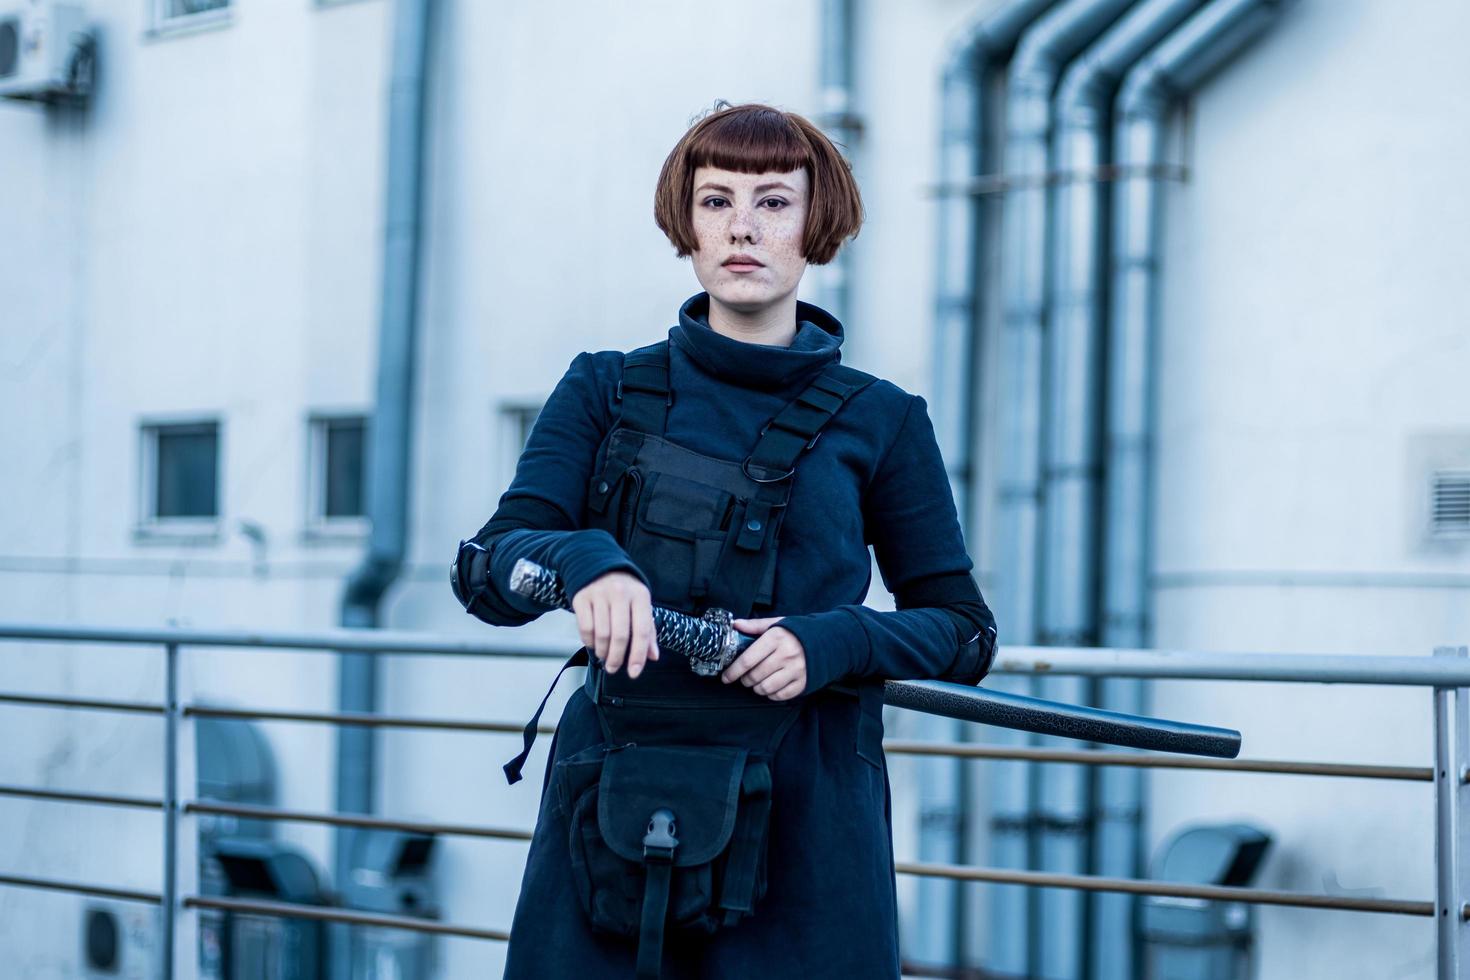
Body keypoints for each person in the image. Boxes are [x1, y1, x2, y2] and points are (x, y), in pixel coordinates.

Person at [452, 101, 997, 980]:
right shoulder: (603, 389)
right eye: (716, 201)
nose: (743, 226)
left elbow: (966, 631)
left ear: (815, 226)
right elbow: (487, 568)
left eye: (774, 202)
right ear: (686, 223)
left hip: (810, 819)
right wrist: (586, 561)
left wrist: (834, 640)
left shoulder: (885, 421)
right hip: (611, 801)